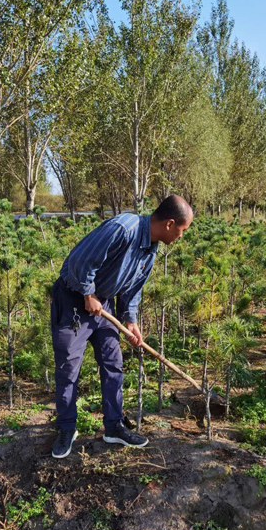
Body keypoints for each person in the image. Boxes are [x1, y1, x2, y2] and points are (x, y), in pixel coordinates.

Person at [50, 194, 193, 458]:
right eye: (183, 231)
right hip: (73, 301)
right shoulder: (122, 228)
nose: (181, 237)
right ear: (170, 223)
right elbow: (82, 259)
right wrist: (87, 293)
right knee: (69, 369)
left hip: (103, 306)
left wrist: (131, 320)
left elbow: (133, 287)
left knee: (112, 362)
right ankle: (66, 428)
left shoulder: (150, 248)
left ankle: (114, 426)